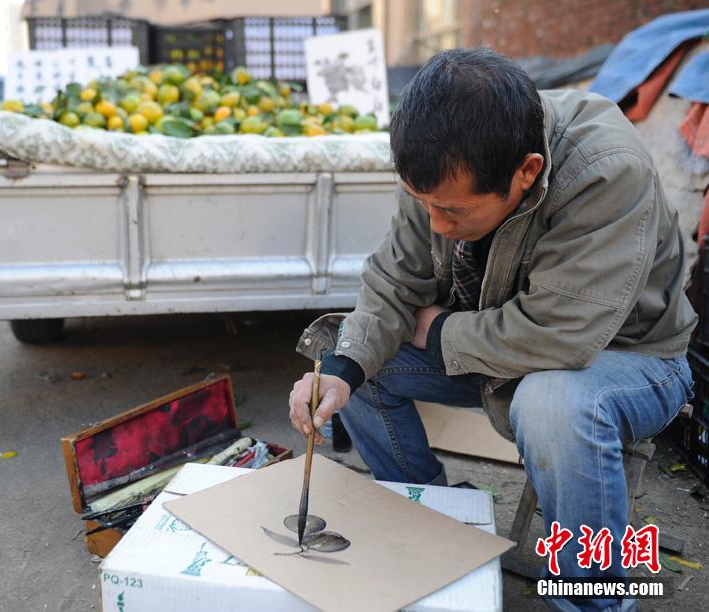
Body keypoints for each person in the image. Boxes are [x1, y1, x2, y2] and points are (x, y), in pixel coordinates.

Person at [288, 48, 696, 612]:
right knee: (354, 354)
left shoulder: (605, 171)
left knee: (552, 403)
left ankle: (594, 601)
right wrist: (339, 371)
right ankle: (434, 523)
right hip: (497, 343)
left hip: (631, 358)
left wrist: (435, 332)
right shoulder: (446, 158)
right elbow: (394, 279)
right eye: (424, 204)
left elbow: (561, 336)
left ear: (526, 172)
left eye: (452, 211)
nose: (436, 223)